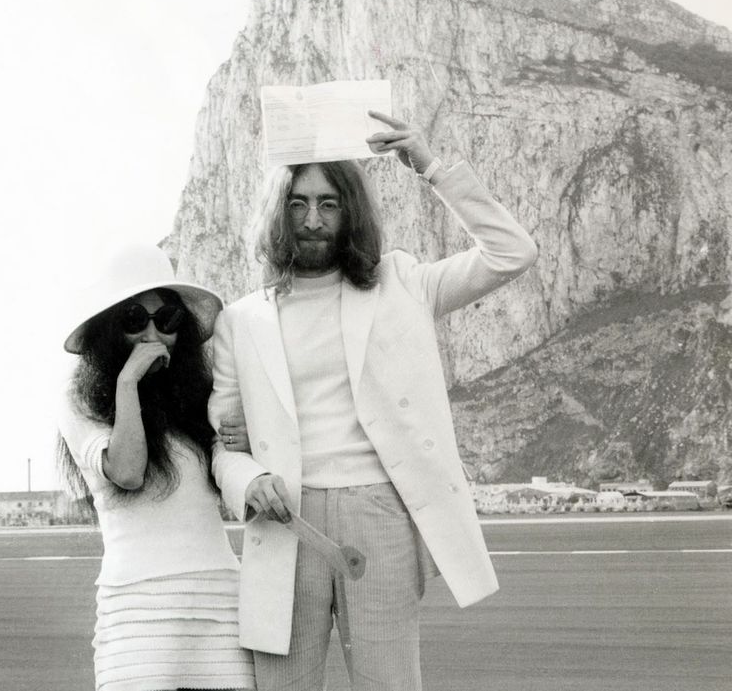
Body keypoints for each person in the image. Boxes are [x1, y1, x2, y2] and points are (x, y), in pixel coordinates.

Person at [208, 110, 538, 691]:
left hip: (379, 515)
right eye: (298, 203)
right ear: (278, 212)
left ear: (350, 210)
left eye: (328, 203)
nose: (312, 219)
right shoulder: (240, 320)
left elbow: (511, 253)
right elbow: (223, 444)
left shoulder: (401, 284)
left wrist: (431, 167)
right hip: (286, 522)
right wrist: (246, 480)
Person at [57, 244, 256, 691]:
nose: (152, 333)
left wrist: (244, 442)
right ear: (110, 329)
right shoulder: (81, 399)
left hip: (218, 603)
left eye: (166, 319)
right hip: (137, 608)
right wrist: (129, 381)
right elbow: (127, 471)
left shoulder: (197, 395)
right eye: (134, 319)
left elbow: (233, 474)